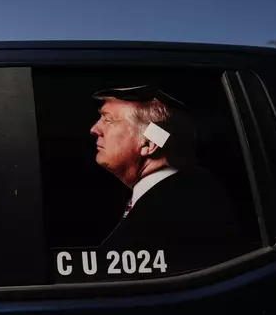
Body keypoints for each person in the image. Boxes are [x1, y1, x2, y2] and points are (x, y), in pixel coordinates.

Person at [89, 85, 252, 274]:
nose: (94, 129)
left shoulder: (180, 208)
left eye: (108, 120)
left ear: (149, 144)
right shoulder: (190, 192)